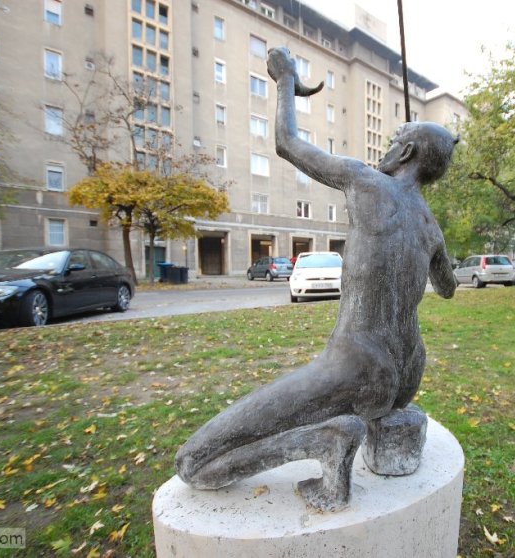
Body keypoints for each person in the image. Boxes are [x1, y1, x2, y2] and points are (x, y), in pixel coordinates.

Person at [175, 47, 458, 511]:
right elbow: (447, 287)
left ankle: (327, 440)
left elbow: (286, 142)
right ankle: (337, 433)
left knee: (193, 464)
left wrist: (286, 78)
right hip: (408, 372)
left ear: (406, 152)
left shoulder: (365, 181)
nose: (386, 149)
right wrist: (431, 255)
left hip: (357, 366)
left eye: (394, 141)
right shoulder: (431, 227)